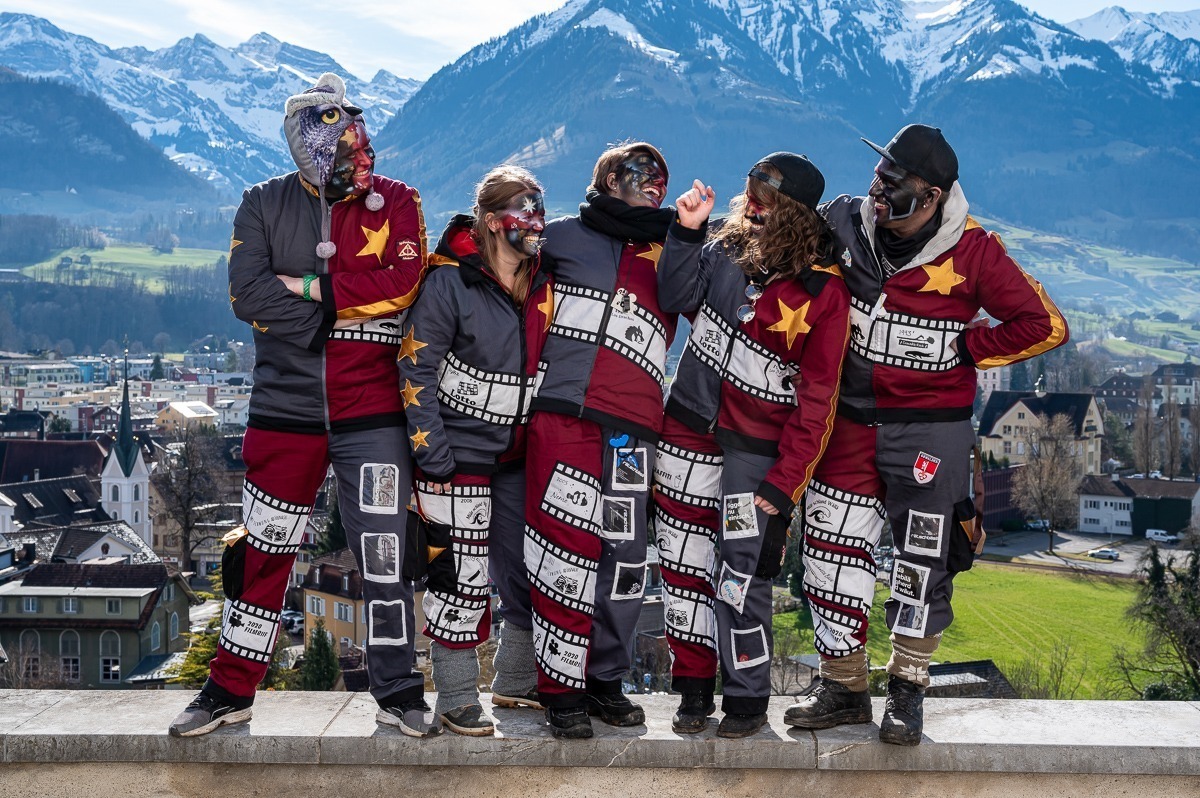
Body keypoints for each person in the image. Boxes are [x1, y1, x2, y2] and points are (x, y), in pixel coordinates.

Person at [168, 73, 436, 738]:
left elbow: (405, 283)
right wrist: (327, 324)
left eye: (357, 130)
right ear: (302, 141)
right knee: (263, 551)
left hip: (370, 409)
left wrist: (314, 285)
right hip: (284, 411)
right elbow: (247, 294)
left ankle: (400, 690)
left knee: (383, 549)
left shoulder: (399, 201)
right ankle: (231, 689)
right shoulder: (262, 203)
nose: (354, 145)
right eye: (337, 133)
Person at [784, 124, 1068, 745]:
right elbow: (780, 259)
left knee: (923, 558)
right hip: (849, 423)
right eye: (879, 175)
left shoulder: (975, 251)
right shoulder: (842, 221)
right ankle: (842, 686)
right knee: (830, 552)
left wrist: (968, 347)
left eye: (895, 183)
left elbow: (1044, 324)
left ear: (933, 195)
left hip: (930, 433)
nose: (879, 192)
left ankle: (908, 690)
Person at [656, 154, 850, 738]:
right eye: (750, 188)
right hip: (687, 430)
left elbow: (819, 397)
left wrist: (785, 479)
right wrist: (686, 230)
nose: (753, 201)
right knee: (682, 566)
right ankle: (692, 690)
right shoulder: (725, 247)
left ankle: (745, 697)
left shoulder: (822, 289)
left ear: (796, 210)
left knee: (741, 576)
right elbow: (672, 295)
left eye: (767, 193)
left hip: (755, 454)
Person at [524, 142, 676, 738]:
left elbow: (697, 297)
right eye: (645, 174)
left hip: (633, 428)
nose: (657, 185)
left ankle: (605, 682)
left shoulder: (672, 249)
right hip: (561, 416)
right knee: (562, 552)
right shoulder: (559, 237)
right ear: (610, 176)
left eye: (663, 177)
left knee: (625, 558)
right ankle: (560, 690)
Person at [398, 165, 549, 735]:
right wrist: (434, 461)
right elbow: (416, 369)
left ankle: (514, 681)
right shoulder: (449, 284)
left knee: (530, 572)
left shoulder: (543, 281)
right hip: (456, 460)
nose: (537, 221)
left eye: (540, 208)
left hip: (519, 459)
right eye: (525, 210)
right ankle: (458, 698)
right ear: (492, 221)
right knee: (457, 583)